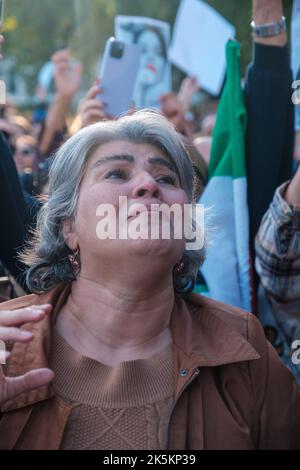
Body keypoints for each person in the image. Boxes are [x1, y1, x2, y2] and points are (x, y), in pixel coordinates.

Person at [0, 110, 299, 450]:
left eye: (168, 179)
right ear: (68, 226)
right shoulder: (7, 346)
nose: (149, 185)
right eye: (116, 173)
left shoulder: (244, 347)